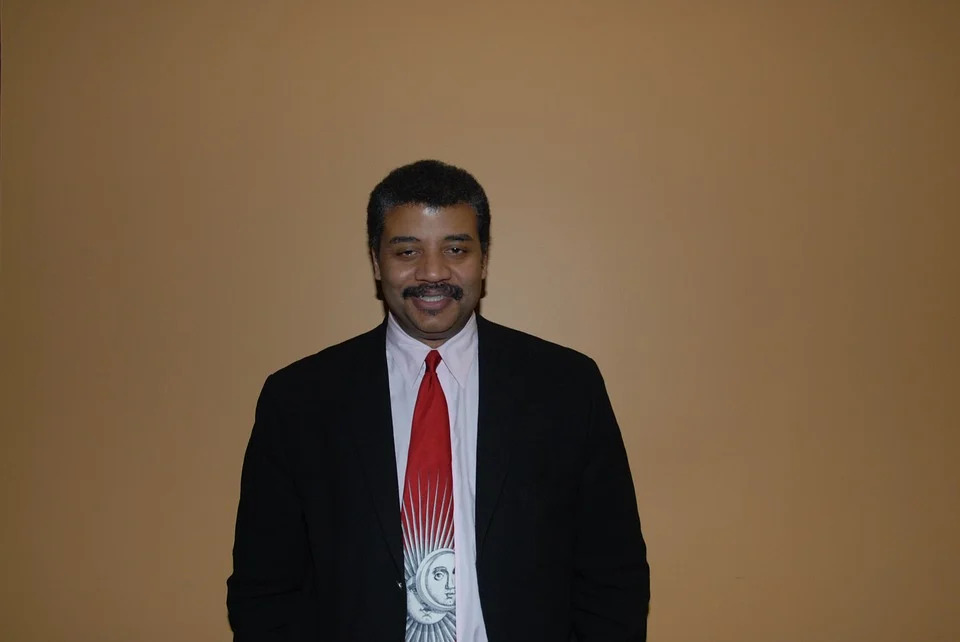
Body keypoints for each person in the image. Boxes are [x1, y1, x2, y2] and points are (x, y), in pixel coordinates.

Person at [227, 160, 650, 641]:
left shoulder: (567, 388)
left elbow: (612, 576)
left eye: (456, 249)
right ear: (376, 262)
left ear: (484, 260)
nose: (432, 272)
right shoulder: (299, 401)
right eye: (407, 250)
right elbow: (265, 589)